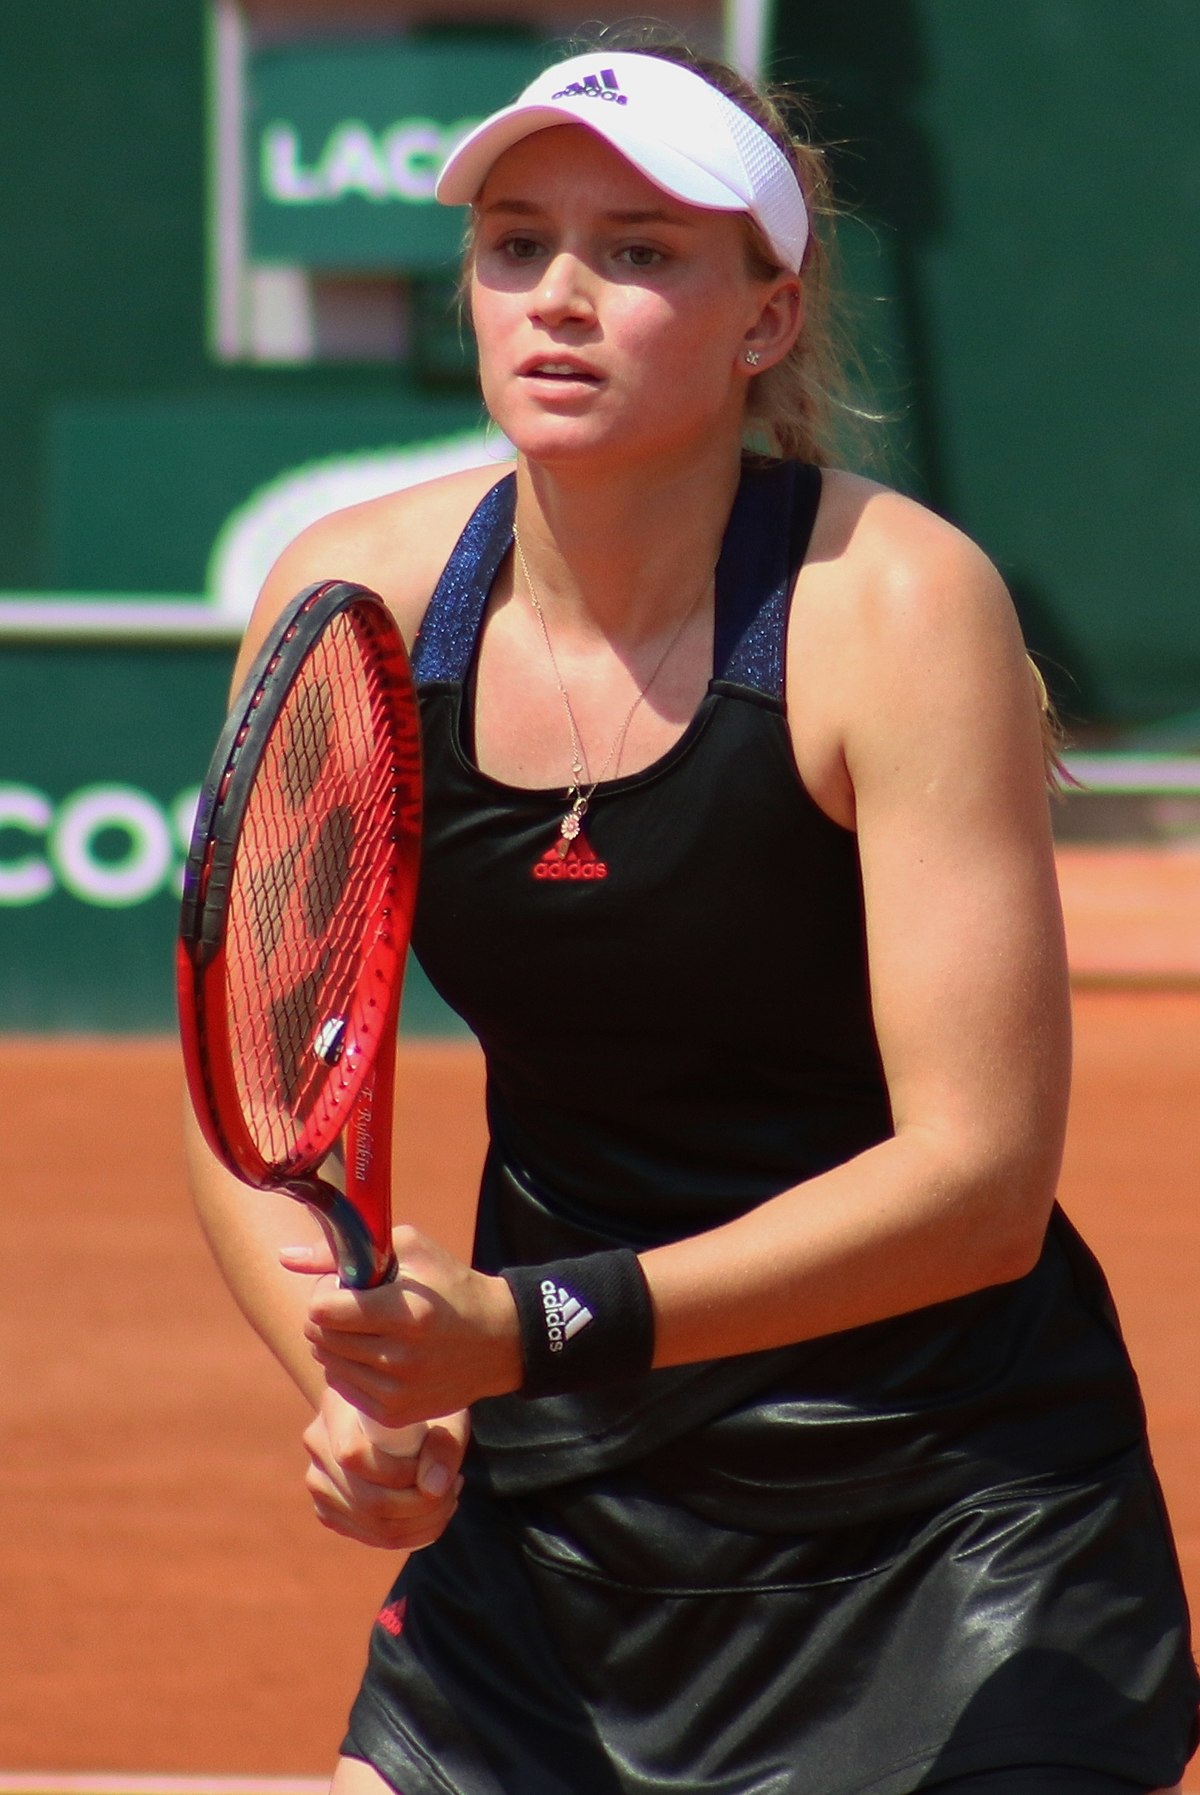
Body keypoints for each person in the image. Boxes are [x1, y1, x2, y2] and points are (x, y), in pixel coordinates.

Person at [187, 35, 1199, 1795]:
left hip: (945, 1521)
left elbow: (978, 1185)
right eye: (517, 244)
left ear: (768, 317)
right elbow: (247, 1085)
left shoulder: (896, 608)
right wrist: (358, 1380)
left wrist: (530, 1327)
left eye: (640, 252)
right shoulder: (354, 593)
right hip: (566, 1531)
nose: (560, 297)